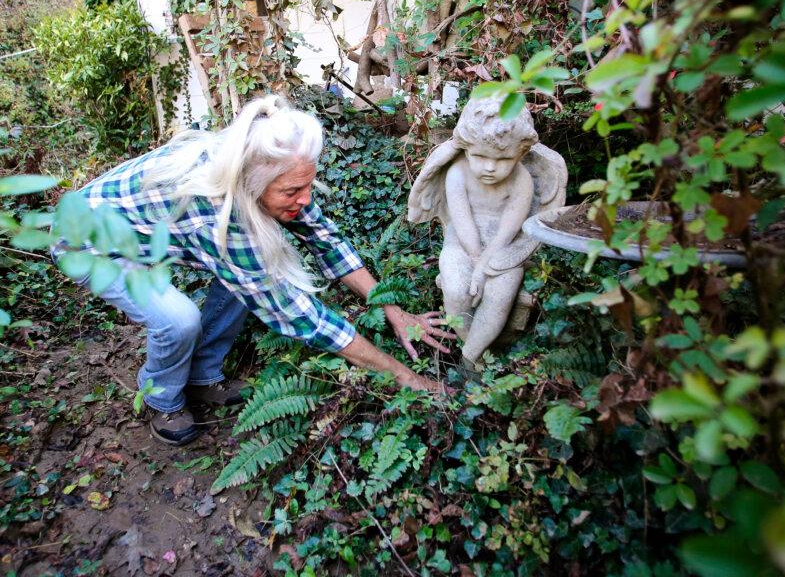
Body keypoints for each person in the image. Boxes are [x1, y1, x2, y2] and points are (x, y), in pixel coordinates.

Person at [54, 95, 454, 446]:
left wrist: (393, 310)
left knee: (245, 276)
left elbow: (326, 241)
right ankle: (162, 400)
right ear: (254, 183)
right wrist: (407, 378)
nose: (305, 199)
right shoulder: (217, 212)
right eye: (293, 193)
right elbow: (301, 316)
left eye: (307, 186)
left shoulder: (272, 167)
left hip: (140, 228)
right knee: (178, 321)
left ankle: (202, 375)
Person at [407, 97, 567, 369]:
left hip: (504, 250)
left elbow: (509, 229)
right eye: (480, 157)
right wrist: (475, 260)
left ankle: (469, 358)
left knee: (500, 297)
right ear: (466, 149)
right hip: (461, 245)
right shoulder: (457, 173)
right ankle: (477, 354)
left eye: (503, 159)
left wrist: (483, 267)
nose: (490, 168)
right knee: (457, 291)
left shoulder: (521, 179)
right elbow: (462, 221)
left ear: (521, 154)